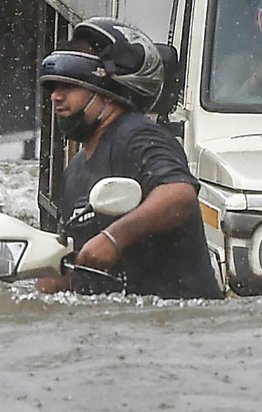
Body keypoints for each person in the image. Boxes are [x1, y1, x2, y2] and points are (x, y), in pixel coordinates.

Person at [35, 17, 223, 300]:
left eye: (69, 86)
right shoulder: (75, 171)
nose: (56, 97)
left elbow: (179, 194)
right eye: (52, 88)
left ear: (108, 94)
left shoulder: (137, 135)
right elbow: (79, 258)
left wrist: (114, 238)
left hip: (179, 327)